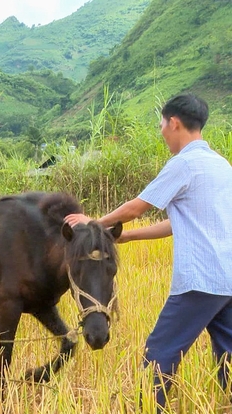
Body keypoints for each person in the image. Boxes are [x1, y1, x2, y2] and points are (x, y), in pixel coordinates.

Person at [65, 93, 232, 411]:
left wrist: (95, 224)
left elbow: (137, 207)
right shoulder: (221, 165)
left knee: (158, 355)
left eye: (162, 125)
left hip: (200, 281)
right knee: (228, 357)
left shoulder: (183, 163)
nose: (162, 132)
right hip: (227, 281)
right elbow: (176, 224)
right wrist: (126, 238)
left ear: (174, 123)